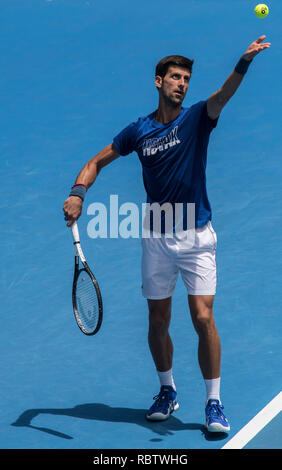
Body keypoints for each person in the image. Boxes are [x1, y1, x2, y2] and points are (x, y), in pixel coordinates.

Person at [63, 35, 270, 433]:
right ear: (159, 82)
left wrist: (243, 62)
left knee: (202, 316)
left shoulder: (196, 118)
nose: (182, 84)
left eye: (186, 78)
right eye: (175, 77)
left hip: (196, 238)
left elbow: (222, 95)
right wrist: (78, 192)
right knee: (157, 318)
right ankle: (167, 389)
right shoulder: (138, 131)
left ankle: (213, 401)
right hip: (156, 240)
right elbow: (96, 161)